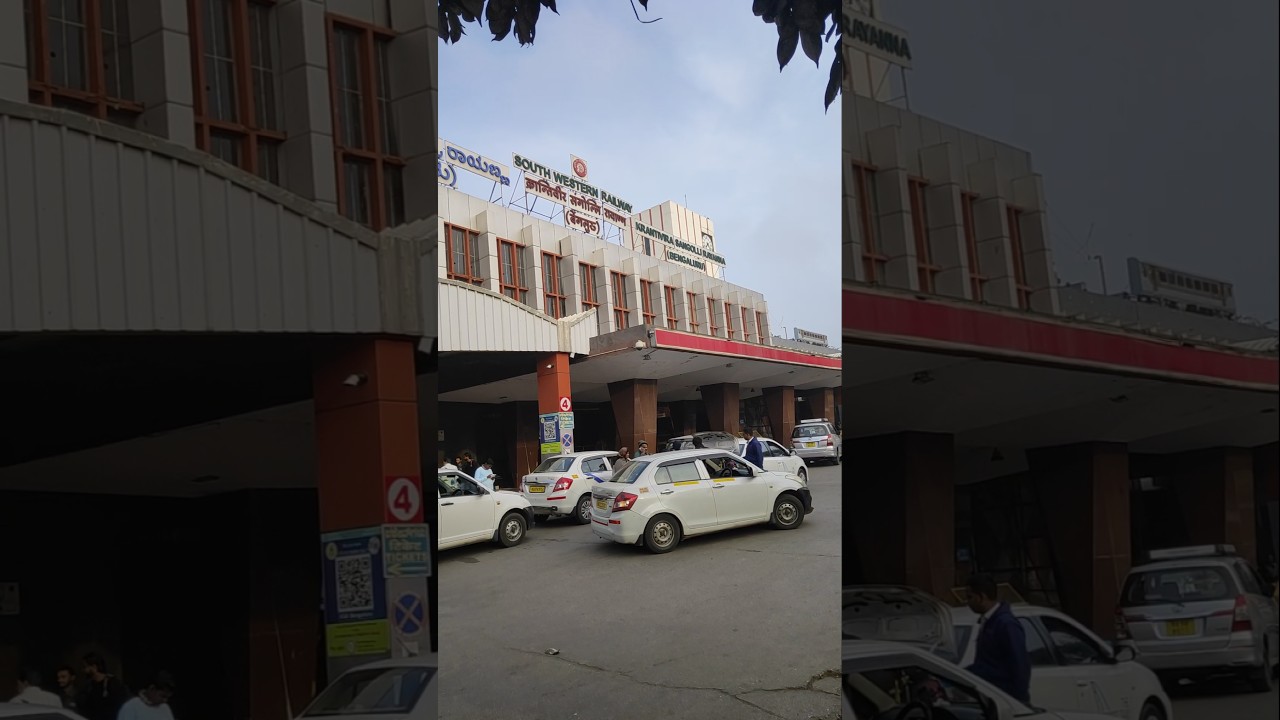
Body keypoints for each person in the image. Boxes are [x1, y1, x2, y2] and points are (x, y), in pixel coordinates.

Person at [963, 574, 1031, 704]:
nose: (967, 602)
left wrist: (1019, 702)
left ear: (981, 597)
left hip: (1006, 699)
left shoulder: (1006, 624)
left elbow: (1020, 664)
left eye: (970, 597)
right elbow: (985, 664)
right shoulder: (988, 622)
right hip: (992, 696)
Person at [78, 652, 129, 720]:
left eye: (85, 667)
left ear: (94, 667)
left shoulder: (113, 684)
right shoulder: (89, 687)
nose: (83, 670)